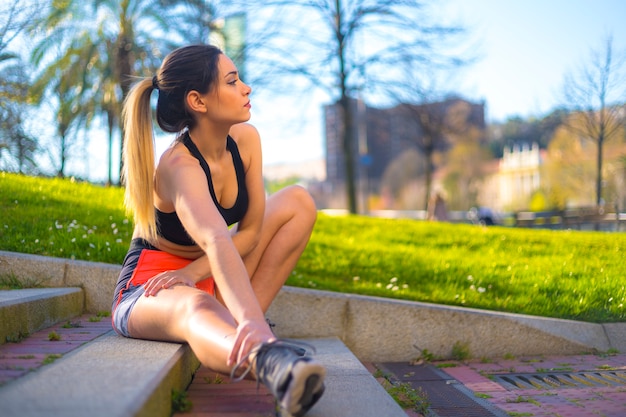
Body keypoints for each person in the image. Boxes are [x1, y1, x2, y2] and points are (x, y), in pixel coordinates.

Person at [111, 44, 325, 417]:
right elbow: (214, 237)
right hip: (152, 287)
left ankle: (247, 333)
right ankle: (273, 364)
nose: (247, 88)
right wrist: (254, 324)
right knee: (195, 305)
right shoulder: (179, 166)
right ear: (198, 101)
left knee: (298, 202)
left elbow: (251, 232)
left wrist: (193, 272)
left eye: (239, 78)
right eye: (232, 81)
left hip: (206, 271)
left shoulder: (246, 140)